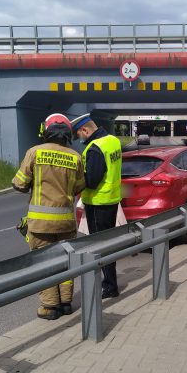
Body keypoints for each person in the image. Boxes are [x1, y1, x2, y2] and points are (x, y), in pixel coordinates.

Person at [12, 113, 85, 320]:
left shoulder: (34, 152)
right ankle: (66, 303)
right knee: (66, 261)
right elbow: (80, 185)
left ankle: (50, 307)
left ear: (45, 131)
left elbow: (19, 183)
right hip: (67, 224)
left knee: (44, 264)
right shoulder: (75, 157)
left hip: (41, 224)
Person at [70, 113, 122, 299]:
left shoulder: (94, 149)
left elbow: (91, 181)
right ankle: (110, 281)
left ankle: (110, 286)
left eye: (79, 135)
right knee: (109, 244)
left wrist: (77, 178)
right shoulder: (113, 140)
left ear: (85, 130)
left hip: (98, 203)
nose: (79, 139)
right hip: (112, 200)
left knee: (101, 246)